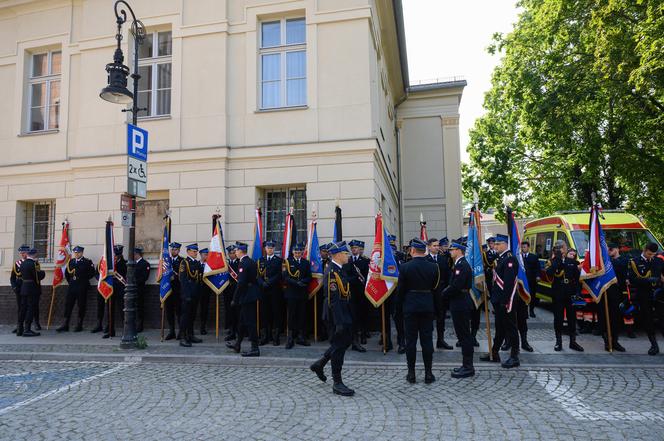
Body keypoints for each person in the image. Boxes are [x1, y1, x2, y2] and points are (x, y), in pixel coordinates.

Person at [309, 241, 355, 396]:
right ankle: (337, 382)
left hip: (343, 312)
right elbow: (333, 300)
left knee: (342, 343)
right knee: (338, 348)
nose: (347, 255)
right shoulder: (332, 273)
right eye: (345, 253)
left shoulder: (340, 269)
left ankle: (319, 364)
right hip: (336, 315)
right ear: (337, 255)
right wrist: (339, 322)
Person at [398, 238, 440, 384]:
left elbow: (400, 291)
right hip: (427, 305)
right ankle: (428, 373)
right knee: (427, 341)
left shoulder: (404, 267)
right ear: (425, 250)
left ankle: (411, 374)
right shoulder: (434, 267)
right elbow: (435, 288)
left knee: (411, 341)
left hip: (410, 307)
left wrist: (399, 308)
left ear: (413, 250)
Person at [480, 234, 521, 368]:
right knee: (500, 328)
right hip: (499, 300)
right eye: (495, 244)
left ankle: (514, 357)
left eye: (498, 244)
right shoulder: (501, 258)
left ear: (505, 244)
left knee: (511, 328)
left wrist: (504, 301)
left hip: (506, 301)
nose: (495, 246)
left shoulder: (510, 259)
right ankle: (495, 352)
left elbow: (508, 283)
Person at [443, 239, 475, 378]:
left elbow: (456, 285)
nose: (450, 251)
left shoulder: (462, 265)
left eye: (452, 249)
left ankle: (468, 367)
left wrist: (443, 294)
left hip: (460, 302)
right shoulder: (459, 264)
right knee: (462, 335)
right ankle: (465, 365)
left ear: (459, 251)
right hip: (458, 301)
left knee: (464, 336)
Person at [546, 242, 584, 352]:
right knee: (558, 318)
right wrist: (557, 260)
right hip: (558, 293)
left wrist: (577, 293)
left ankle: (573, 341)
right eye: (560, 248)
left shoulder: (572, 261)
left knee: (572, 317)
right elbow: (549, 273)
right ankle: (559, 342)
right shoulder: (552, 261)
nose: (563, 250)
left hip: (570, 292)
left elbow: (577, 279)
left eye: (562, 248)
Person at [226, 241, 261, 357]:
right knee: (242, 321)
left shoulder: (243, 263)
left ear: (240, 251)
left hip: (247, 296)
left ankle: (255, 348)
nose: (235, 252)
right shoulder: (250, 261)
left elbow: (241, 283)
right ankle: (238, 344)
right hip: (249, 294)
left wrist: (234, 299)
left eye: (236, 251)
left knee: (250, 322)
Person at [502, 243, 535, 353]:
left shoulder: (523, 261)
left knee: (522, 320)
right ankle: (508, 341)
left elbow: (528, 276)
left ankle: (524, 342)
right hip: (510, 293)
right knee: (509, 320)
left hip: (521, 293)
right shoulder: (505, 260)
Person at [628, 242, 660, 355]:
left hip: (657, 294)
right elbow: (632, 279)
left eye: (653, 254)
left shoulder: (657, 261)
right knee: (648, 320)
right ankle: (654, 345)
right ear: (645, 250)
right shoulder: (635, 262)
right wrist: (647, 280)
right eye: (649, 254)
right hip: (643, 294)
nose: (651, 256)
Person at [57, 246, 94, 333]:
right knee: (68, 304)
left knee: (81, 305)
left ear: (82, 253)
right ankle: (65, 324)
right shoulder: (71, 261)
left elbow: (91, 273)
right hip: (72, 286)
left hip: (82, 286)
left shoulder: (87, 262)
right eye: (75, 252)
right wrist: (71, 282)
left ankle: (79, 324)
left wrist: (83, 279)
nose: (76, 254)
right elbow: (67, 273)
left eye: (78, 252)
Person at [93, 244, 126, 338]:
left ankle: (125, 330)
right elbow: (100, 273)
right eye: (115, 254)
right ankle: (111, 331)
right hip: (110, 288)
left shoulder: (125, 263)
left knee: (122, 310)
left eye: (118, 254)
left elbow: (125, 277)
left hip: (120, 289)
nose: (116, 256)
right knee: (110, 310)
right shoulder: (108, 263)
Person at [426, 238, 453, 350]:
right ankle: (428, 342)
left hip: (441, 292)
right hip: (428, 293)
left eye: (438, 245)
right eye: (434, 246)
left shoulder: (442, 259)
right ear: (428, 247)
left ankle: (440, 340)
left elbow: (447, 276)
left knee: (441, 317)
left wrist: (447, 290)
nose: (437, 247)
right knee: (428, 318)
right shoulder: (425, 259)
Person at [284, 243, 312, 348]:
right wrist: (296, 283)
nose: (297, 253)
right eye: (296, 252)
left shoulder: (306, 262)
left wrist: (303, 281)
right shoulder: (287, 262)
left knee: (302, 315)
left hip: (302, 293)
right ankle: (290, 338)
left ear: (302, 252)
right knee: (291, 316)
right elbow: (285, 277)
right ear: (292, 252)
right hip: (291, 293)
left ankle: (301, 337)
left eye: (299, 252)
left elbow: (309, 276)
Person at [600, 243, 627, 352]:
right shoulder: (605, 261)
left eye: (611, 249)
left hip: (617, 292)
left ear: (617, 249)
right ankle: (607, 341)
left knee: (616, 318)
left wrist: (606, 258)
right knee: (604, 317)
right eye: (608, 250)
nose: (609, 251)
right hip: (604, 292)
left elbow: (619, 267)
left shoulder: (623, 260)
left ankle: (615, 341)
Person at [257, 240, 284, 345]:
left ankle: (275, 337)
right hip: (263, 291)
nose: (270, 249)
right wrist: (262, 283)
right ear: (265, 249)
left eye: (272, 248)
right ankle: (265, 336)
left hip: (275, 291)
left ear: (274, 249)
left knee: (275, 313)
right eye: (268, 248)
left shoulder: (279, 260)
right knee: (264, 314)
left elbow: (280, 275)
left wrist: (270, 282)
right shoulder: (260, 260)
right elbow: (258, 275)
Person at [344, 240, 369, 352]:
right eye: (352, 248)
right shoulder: (347, 261)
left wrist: (353, 279)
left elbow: (365, 276)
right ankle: (354, 337)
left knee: (363, 314)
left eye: (356, 248)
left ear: (360, 249)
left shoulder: (365, 261)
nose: (354, 250)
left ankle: (363, 334)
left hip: (362, 291)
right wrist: (352, 279)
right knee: (353, 315)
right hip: (351, 292)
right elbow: (345, 275)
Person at [178, 244, 203, 347]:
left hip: (195, 293)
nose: (196, 253)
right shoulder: (184, 263)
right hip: (187, 294)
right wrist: (187, 295)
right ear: (188, 252)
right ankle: (183, 337)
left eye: (196, 251)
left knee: (192, 316)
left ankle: (190, 335)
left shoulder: (196, 263)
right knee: (185, 316)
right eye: (193, 251)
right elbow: (183, 280)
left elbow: (199, 277)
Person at [17, 248, 45, 337]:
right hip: (32, 288)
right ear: (34, 255)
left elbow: (20, 275)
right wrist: (43, 272)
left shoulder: (23, 263)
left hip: (24, 288)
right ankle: (27, 329)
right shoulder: (33, 264)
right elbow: (37, 277)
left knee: (23, 308)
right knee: (30, 308)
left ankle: (19, 328)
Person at [10, 245, 29, 334]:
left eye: (24, 253)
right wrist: (14, 287)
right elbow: (12, 278)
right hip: (19, 287)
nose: (22, 254)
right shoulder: (17, 263)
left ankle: (28, 326)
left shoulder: (31, 262)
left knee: (28, 307)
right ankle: (19, 326)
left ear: (27, 253)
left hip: (28, 286)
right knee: (20, 307)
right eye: (21, 253)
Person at [165, 242, 182, 340]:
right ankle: (171, 331)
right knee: (169, 311)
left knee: (179, 312)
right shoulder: (167, 261)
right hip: (168, 289)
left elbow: (183, 276)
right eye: (172, 249)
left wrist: (174, 277)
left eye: (175, 249)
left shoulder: (182, 261)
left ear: (179, 250)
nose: (173, 251)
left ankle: (180, 331)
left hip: (178, 290)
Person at [224, 245, 240, 341]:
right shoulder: (226, 263)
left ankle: (238, 329)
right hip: (227, 291)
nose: (232, 255)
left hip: (236, 291)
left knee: (237, 311)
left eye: (234, 253)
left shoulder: (239, 263)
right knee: (229, 311)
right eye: (230, 253)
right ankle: (231, 329)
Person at [521, 241, 540, 318]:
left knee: (532, 296)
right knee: (523, 295)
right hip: (522, 281)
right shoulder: (519, 257)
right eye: (522, 247)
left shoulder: (534, 257)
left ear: (528, 247)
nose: (523, 248)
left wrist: (538, 276)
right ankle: (524, 312)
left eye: (524, 247)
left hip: (531, 280)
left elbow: (537, 268)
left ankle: (531, 310)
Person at [134, 247, 151, 333]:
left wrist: (134, 281)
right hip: (131, 290)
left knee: (139, 307)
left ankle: (139, 325)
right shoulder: (132, 264)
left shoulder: (145, 264)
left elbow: (144, 277)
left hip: (139, 289)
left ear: (137, 254)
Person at [198, 248, 214, 336]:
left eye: (207, 255)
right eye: (204, 254)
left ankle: (203, 327)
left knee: (204, 309)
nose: (206, 256)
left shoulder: (209, 266)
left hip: (206, 290)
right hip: (196, 290)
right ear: (200, 255)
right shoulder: (196, 264)